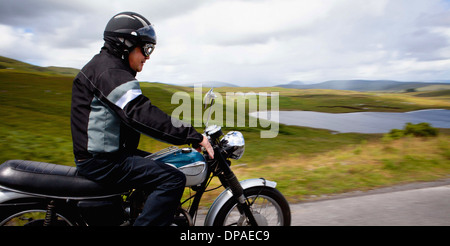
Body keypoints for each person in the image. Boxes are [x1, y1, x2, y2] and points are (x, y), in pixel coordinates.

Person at [70, 12, 213, 226]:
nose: (148, 56)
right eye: (146, 49)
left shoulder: (106, 68)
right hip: (101, 161)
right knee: (172, 178)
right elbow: (141, 114)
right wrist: (192, 136)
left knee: (166, 163)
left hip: (107, 154)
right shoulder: (110, 72)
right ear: (125, 44)